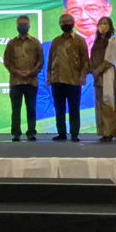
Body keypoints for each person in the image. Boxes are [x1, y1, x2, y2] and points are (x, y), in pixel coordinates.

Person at [37, 0, 116, 119]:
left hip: (114, 125)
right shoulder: (46, 50)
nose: (83, 16)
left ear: (107, 10)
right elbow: (39, 97)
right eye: (75, 11)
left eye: (92, 9)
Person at [46, 13, 90, 142]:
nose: (65, 23)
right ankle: (61, 133)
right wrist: (49, 76)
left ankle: (74, 134)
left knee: (74, 108)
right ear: (60, 24)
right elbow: (50, 60)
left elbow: (85, 61)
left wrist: (83, 76)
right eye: (63, 21)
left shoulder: (80, 40)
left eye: (68, 21)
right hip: (57, 79)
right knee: (59, 109)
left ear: (73, 23)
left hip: (74, 80)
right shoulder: (56, 41)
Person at [3, 15, 44, 142]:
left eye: (25, 24)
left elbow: (40, 60)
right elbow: (6, 61)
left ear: (29, 25)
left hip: (31, 81)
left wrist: (32, 72)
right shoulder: (11, 43)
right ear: (16, 26)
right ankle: (16, 133)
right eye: (20, 24)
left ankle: (31, 132)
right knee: (16, 109)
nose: (23, 26)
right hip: (16, 81)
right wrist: (16, 71)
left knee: (31, 108)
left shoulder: (35, 42)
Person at [90, 16, 116, 142]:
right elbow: (92, 58)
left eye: (105, 23)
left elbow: (109, 60)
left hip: (107, 74)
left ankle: (110, 131)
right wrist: (91, 69)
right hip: (97, 77)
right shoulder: (97, 41)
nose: (102, 25)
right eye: (100, 23)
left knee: (108, 102)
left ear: (110, 26)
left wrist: (97, 70)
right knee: (99, 103)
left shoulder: (113, 40)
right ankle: (102, 131)